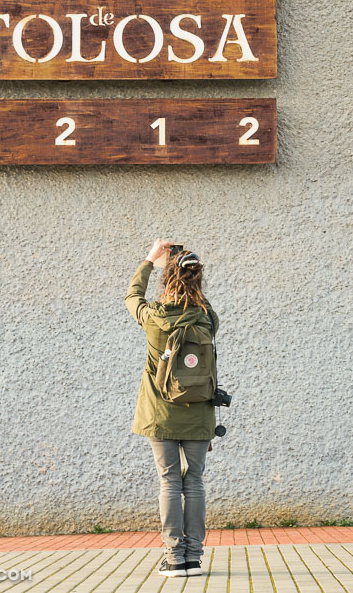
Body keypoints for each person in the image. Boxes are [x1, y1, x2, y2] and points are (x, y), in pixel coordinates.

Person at [125, 238, 220, 578]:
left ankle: (174, 558)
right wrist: (186, 267)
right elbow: (203, 305)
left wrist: (152, 260)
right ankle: (194, 557)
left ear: (168, 281)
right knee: (193, 481)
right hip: (199, 411)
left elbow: (132, 297)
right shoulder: (206, 318)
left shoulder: (154, 318)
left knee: (169, 481)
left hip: (160, 412)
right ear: (197, 281)